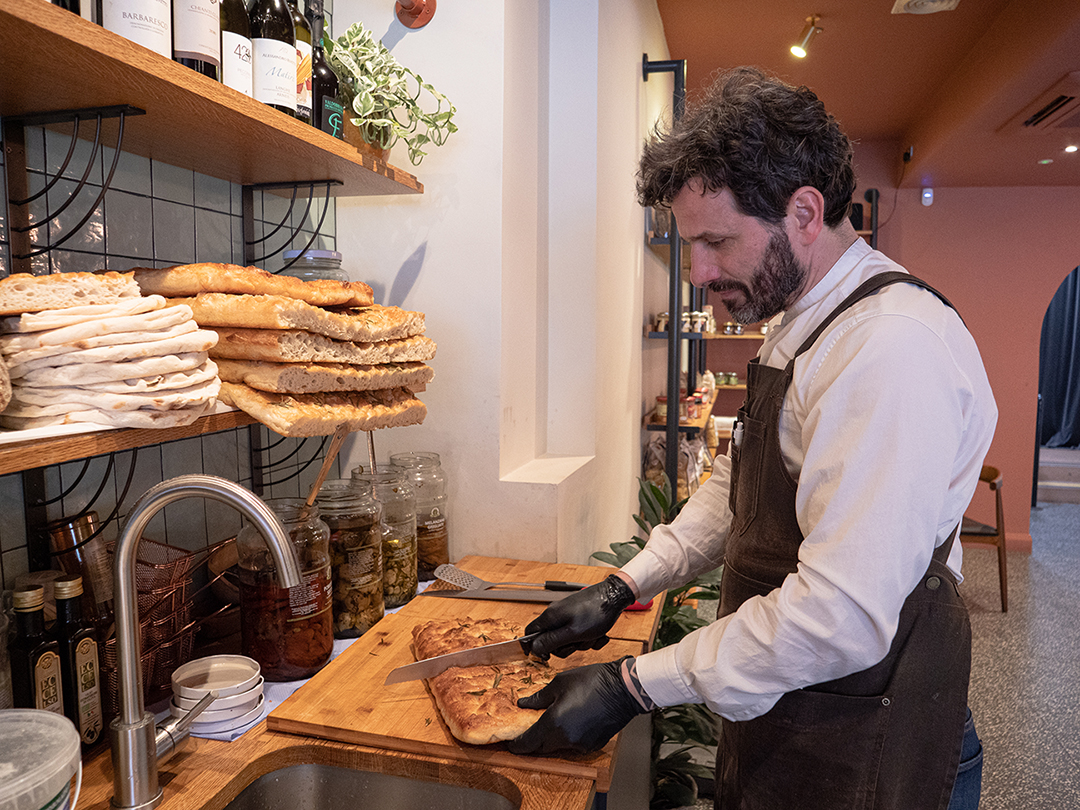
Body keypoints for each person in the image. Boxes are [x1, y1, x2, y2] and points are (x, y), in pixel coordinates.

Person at [507, 67, 996, 810]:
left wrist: (632, 682)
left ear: (804, 212)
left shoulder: (887, 350)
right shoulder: (799, 324)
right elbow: (740, 491)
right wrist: (627, 583)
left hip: (870, 737)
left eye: (717, 242)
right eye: (689, 243)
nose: (698, 271)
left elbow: (842, 616)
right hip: (794, 711)